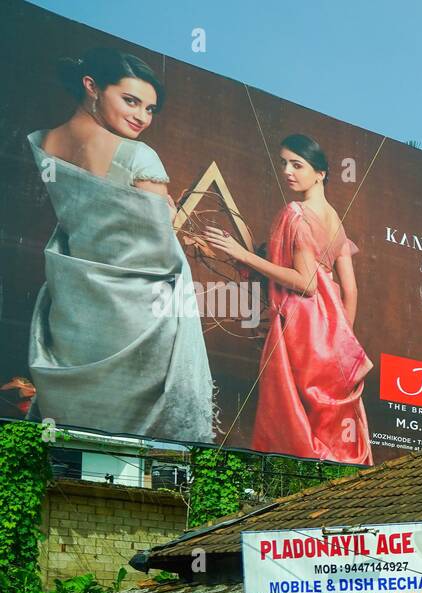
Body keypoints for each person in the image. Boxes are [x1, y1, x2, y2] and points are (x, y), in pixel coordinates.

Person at [27, 48, 214, 442]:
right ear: (91, 87)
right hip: (138, 322)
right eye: (130, 101)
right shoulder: (137, 156)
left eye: (149, 109)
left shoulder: (46, 142)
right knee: (145, 449)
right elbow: (157, 256)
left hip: (75, 313)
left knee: (79, 440)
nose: (141, 117)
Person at [205, 134, 372, 464]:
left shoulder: (295, 214)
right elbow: (350, 290)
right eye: (284, 163)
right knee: (327, 424)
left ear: (320, 172)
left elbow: (306, 284)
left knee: (290, 418)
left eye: (297, 165)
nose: (287, 171)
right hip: (332, 330)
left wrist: (243, 255)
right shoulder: (334, 218)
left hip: (301, 327)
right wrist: (342, 342)